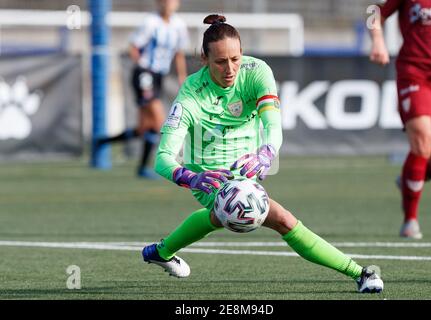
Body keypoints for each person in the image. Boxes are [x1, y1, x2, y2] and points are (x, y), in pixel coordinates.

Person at [141, 14, 384, 293]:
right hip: (209, 176)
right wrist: (191, 178)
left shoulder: (257, 71)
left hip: (247, 166)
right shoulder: (190, 96)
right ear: (204, 59)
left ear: (242, 53)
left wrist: (268, 152)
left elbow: (272, 125)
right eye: (220, 61)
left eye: (235, 58)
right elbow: (163, 159)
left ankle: (161, 251)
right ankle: (359, 273)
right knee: (282, 220)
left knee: (218, 217)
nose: (230, 68)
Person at [369, 0, 431, 239]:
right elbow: (373, 11)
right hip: (415, 73)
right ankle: (410, 221)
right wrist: (378, 41)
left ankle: (408, 180)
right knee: (423, 141)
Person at [96, 0, 188, 179]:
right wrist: (141, 67)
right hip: (145, 74)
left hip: (159, 76)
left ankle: (104, 142)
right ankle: (176, 163)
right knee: (161, 120)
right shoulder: (150, 22)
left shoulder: (179, 25)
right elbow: (133, 47)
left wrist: (182, 77)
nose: (168, 3)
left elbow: (179, 53)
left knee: (144, 128)